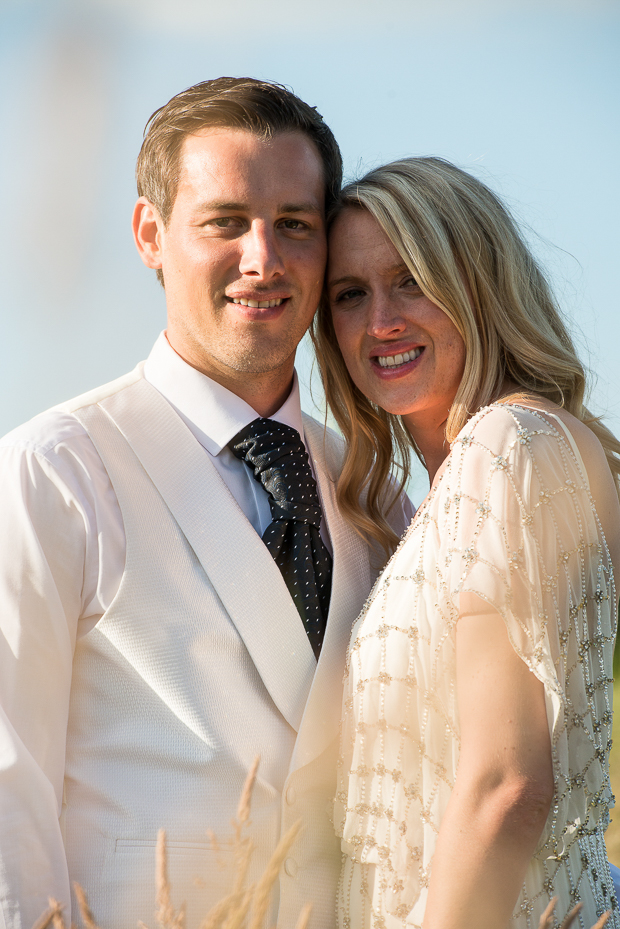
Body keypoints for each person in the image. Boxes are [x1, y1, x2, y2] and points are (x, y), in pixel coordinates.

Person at [0, 78, 413, 929]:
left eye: (294, 224)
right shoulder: (55, 472)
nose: (263, 258)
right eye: (225, 221)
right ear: (151, 235)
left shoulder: (369, 494)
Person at [313, 156, 620, 928]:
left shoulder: (509, 444)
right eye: (350, 295)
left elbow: (507, 782)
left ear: (477, 282)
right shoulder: (449, 489)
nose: (380, 320)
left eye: (411, 279)